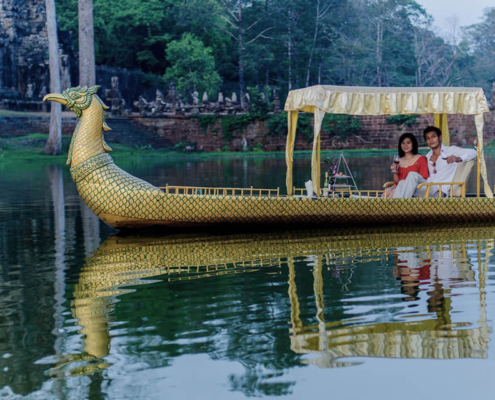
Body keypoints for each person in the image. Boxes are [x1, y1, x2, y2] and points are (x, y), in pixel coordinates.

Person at [393, 126, 477, 198]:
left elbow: (474, 152)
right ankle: (396, 208)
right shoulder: (427, 156)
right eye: (428, 138)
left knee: (409, 179)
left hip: (439, 191)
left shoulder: (450, 150)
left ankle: (399, 207)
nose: (431, 140)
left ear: (439, 137)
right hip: (428, 186)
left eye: (433, 137)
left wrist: (458, 158)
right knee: (403, 182)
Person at [384, 133, 428, 198]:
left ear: (413, 143)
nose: (405, 145)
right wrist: (394, 171)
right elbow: (397, 182)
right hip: (399, 187)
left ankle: (395, 206)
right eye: (403, 143)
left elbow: (423, 179)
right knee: (387, 191)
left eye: (408, 143)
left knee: (393, 192)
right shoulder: (398, 160)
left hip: (416, 189)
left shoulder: (421, 158)